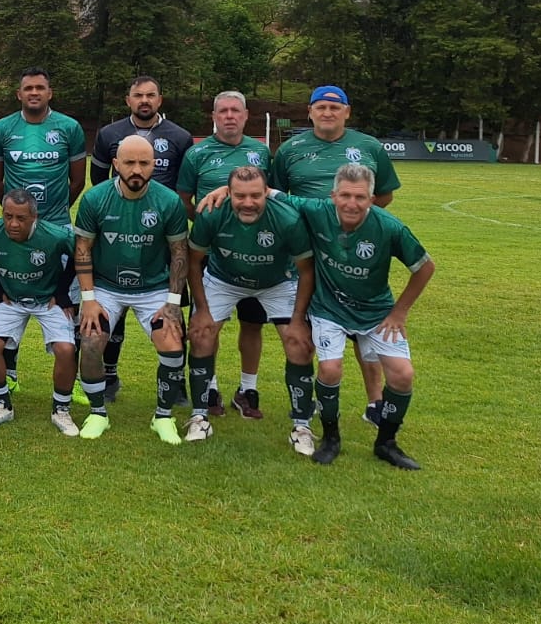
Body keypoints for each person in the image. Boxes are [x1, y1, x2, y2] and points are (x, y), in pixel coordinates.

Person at [205, 164, 433, 469]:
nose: (352, 203)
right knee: (329, 370)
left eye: (361, 197)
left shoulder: (390, 227)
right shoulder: (318, 210)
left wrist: (399, 312)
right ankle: (330, 438)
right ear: (333, 196)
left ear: (372, 198)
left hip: (376, 311)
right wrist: (225, 190)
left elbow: (425, 268)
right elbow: (270, 194)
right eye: (346, 196)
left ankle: (386, 442)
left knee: (403, 375)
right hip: (329, 309)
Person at [268, 85, 401, 415]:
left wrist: (351, 217)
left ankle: (375, 400)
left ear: (347, 112)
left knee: (364, 326)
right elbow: (275, 195)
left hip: (355, 250)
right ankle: (312, 397)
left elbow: (383, 195)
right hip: (306, 248)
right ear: (310, 112)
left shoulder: (368, 146)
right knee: (311, 323)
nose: (327, 112)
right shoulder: (290, 149)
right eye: (320, 107)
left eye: (334, 107)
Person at [186, 166, 315, 450]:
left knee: (300, 343)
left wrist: (297, 320)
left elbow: (307, 271)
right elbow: (193, 261)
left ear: (267, 193)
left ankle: (302, 426)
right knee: (201, 333)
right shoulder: (211, 213)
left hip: (277, 282)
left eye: (256, 195)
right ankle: (199, 417)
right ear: (228, 194)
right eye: (240, 196)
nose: (248, 202)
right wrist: (203, 311)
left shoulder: (288, 219)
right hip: (224, 279)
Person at [73, 136, 191, 445]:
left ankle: (162, 417)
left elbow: (179, 253)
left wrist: (172, 302)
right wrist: (88, 299)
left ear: (154, 165)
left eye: (144, 163)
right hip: (106, 287)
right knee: (91, 341)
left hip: (153, 287)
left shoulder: (168, 201)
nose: (136, 169)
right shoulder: (95, 198)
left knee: (173, 346)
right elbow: (83, 249)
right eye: (129, 162)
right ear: (115, 164)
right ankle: (98, 413)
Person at [85, 75, 194, 409]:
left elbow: (186, 182)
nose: (144, 100)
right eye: (138, 95)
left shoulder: (180, 136)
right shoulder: (109, 134)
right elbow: (97, 179)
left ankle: (177, 386)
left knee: (174, 321)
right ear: (127, 99)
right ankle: (109, 375)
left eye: (151, 95)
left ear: (160, 100)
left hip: (160, 236)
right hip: (119, 230)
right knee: (107, 327)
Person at [0, 67, 86, 388]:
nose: (34, 93)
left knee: (67, 305)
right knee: (14, 296)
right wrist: (19, 215)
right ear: (19, 94)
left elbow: (77, 180)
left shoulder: (69, 128)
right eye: (27, 88)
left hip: (57, 226)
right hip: (16, 231)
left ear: (49, 93)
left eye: (40, 88)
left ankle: (74, 377)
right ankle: (10, 373)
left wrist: (50, 215)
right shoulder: (2, 129)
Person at [176, 90, 272, 419]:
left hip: (255, 252)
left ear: (246, 116)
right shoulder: (197, 154)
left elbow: (270, 198)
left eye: (236, 111)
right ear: (214, 117)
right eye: (223, 111)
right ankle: (211, 386)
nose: (229, 116)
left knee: (252, 323)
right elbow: (185, 199)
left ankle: (248, 389)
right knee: (208, 323)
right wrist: (210, 226)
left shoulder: (261, 152)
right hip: (210, 254)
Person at [0, 191, 77, 433]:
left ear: (34, 217)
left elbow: (79, 256)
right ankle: (2, 405)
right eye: (8, 216)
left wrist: (61, 293)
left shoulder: (56, 235)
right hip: (12, 300)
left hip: (47, 301)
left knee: (66, 349)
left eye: (21, 218)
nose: (13, 224)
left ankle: (61, 410)